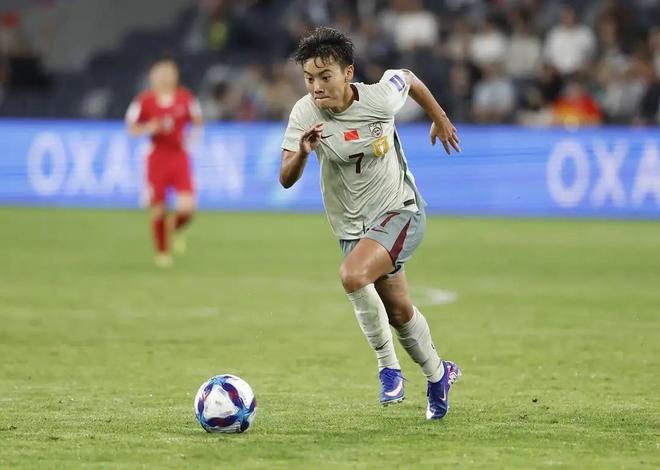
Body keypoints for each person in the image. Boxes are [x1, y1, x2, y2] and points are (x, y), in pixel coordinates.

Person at [280, 27, 461, 420]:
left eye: (325, 76)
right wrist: (304, 153)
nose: (316, 87)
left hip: (400, 211)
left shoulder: (380, 97)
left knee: (352, 275)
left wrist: (439, 117)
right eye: (309, 79)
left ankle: (388, 369)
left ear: (348, 73)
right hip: (353, 229)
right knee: (398, 312)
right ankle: (438, 375)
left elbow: (408, 78)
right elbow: (285, 178)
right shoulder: (304, 113)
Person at [125, 57, 203, 267]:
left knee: (187, 208)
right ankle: (163, 252)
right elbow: (131, 127)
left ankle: (173, 227)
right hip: (157, 158)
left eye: (169, 73)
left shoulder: (185, 98)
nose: (166, 77)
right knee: (158, 208)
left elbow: (198, 121)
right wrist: (147, 128)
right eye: (161, 73)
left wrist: (192, 137)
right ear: (153, 76)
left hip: (179, 156)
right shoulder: (144, 101)